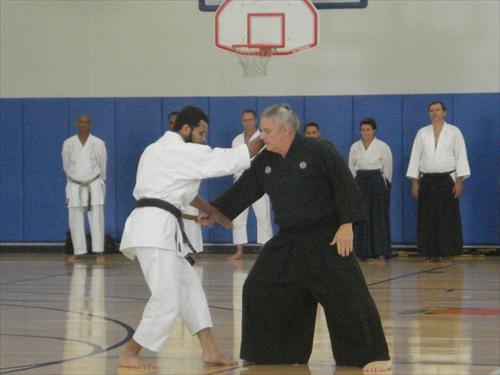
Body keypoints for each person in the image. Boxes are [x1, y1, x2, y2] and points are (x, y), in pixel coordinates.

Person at [211, 104, 391, 372]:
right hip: (289, 239)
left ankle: (371, 355)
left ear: (286, 130)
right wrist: (215, 211)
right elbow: (245, 188)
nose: (262, 137)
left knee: (347, 294)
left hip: (327, 237)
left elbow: (344, 185)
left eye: (267, 131)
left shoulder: (319, 151)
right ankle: (272, 352)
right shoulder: (266, 159)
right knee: (258, 286)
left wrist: (346, 225)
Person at [117, 105, 265, 370]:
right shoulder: (177, 150)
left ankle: (210, 350)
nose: (204, 139)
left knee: (191, 290)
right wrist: (264, 135)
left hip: (162, 229)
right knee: (167, 299)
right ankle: (130, 352)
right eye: (201, 133)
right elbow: (226, 160)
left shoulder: (156, 150)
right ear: (185, 129)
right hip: (154, 231)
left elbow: (183, 193)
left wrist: (213, 212)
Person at [406, 101, 470, 262]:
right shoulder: (422, 133)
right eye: (431, 110)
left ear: (444, 112)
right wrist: (415, 182)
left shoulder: (454, 132)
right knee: (427, 217)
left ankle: (448, 252)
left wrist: (459, 181)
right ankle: (428, 252)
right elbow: (415, 157)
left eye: (437, 110)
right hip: (427, 179)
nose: (434, 113)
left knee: (447, 217)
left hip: (447, 179)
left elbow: (461, 156)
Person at [62, 115, 107, 263]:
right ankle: (78, 251)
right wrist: (74, 178)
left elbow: (103, 165)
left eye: (86, 122)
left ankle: (99, 251)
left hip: (93, 183)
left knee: (97, 219)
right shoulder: (68, 143)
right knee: (75, 219)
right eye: (80, 121)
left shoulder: (98, 143)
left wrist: (99, 180)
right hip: (75, 184)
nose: (83, 124)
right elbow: (66, 165)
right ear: (76, 124)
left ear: (90, 124)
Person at [229, 109, 273, 260]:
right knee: (238, 217)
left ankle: (266, 249)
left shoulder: (263, 138)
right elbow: (234, 161)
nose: (247, 122)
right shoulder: (236, 140)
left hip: (260, 182)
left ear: (255, 121)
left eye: (250, 119)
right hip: (241, 182)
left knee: (263, 216)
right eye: (245, 120)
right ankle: (239, 250)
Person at [348, 118, 393, 262]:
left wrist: (385, 184)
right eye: (363, 130)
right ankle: (361, 252)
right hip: (360, 181)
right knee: (361, 217)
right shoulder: (355, 147)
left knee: (378, 217)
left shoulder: (382, 146)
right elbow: (351, 167)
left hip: (377, 181)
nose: (365, 132)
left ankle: (381, 252)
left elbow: (387, 168)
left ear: (374, 130)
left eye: (368, 129)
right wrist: (353, 184)